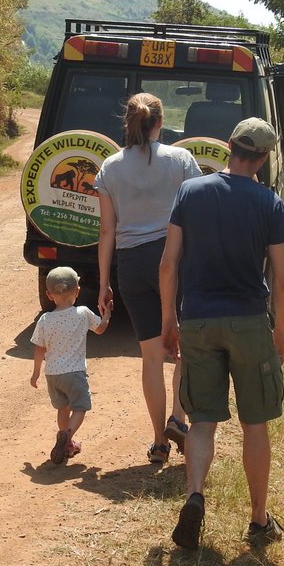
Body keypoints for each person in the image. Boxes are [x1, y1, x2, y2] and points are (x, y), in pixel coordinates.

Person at [160, 117, 284, 550]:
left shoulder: (190, 192)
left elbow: (169, 263)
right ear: (263, 158)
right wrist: (282, 332)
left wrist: (169, 319)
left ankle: (195, 494)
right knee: (255, 424)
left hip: (197, 319)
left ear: (230, 146)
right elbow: (282, 277)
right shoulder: (268, 202)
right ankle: (258, 520)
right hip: (249, 320)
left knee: (202, 420)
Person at [95, 93, 202, 465]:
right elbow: (196, 218)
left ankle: (159, 442)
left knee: (151, 355)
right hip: (174, 259)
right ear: (160, 123)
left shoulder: (109, 168)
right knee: (186, 348)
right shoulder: (182, 160)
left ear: (127, 123)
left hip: (131, 264)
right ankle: (179, 416)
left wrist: (104, 282)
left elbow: (106, 232)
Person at [30, 266, 111, 464]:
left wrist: (35, 373)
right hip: (75, 373)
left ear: (49, 295)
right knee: (80, 408)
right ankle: (67, 437)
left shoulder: (45, 320)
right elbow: (100, 330)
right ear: (77, 291)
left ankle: (67, 440)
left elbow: (39, 348)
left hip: (53, 375)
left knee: (63, 409)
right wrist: (107, 315)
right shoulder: (82, 313)